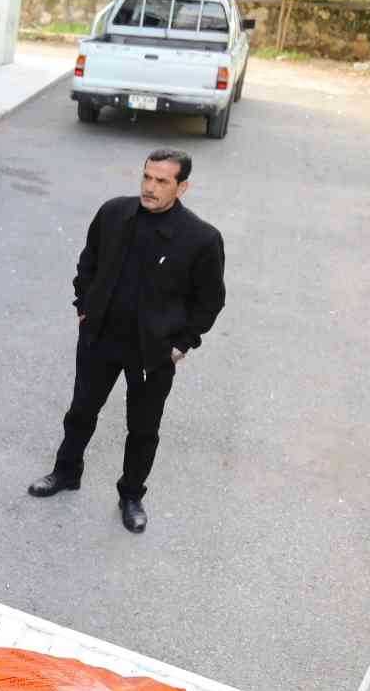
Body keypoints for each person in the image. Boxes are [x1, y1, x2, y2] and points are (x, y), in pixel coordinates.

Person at [28, 149, 226, 533]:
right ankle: (66, 472)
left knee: (143, 428)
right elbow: (88, 262)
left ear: (182, 186)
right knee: (81, 411)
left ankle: (131, 495)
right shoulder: (114, 213)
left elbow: (210, 301)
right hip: (101, 337)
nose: (150, 188)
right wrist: (84, 306)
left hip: (152, 352)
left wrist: (183, 343)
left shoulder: (201, 238)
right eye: (147, 177)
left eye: (162, 181)